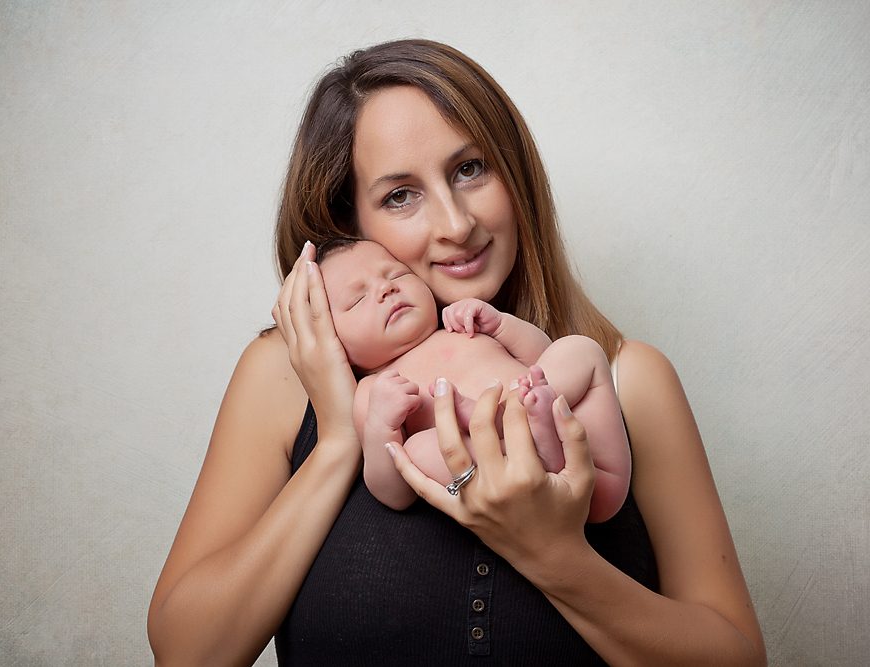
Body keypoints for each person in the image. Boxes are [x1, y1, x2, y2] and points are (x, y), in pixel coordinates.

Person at [147, 39, 766, 666]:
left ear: (515, 173)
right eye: (399, 196)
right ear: (350, 223)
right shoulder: (281, 378)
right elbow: (188, 653)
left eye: (470, 168)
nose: (455, 223)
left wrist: (554, 557)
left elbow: (736, 658)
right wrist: (338, 439)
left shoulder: (625, 377)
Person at [318, 237, 630, 521]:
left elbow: (540, 358)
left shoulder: (462, 324)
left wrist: (500, 325)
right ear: (332, 341)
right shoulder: (374, 390)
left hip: (595, 476)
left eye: (396, 275)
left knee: (579, 349)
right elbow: (394, 494)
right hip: (508, 483)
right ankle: (522, 441)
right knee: (418, 451)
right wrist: (382, 426)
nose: (386, 289)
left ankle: (513, 416)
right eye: (357, 299)